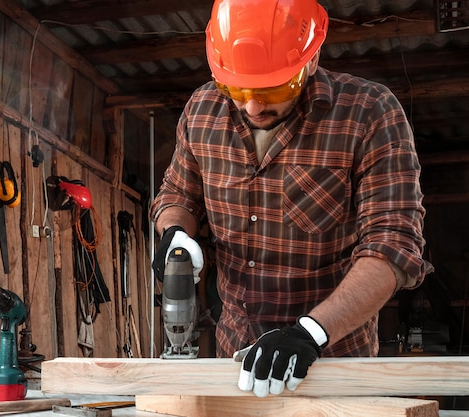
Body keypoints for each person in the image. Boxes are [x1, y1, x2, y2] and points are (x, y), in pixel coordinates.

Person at [150, 0, 433, 398]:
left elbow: (392, 245)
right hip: (235, 361)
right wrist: (176, 230)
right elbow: (179, 194)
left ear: (312, 58)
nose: (252, 105)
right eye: (236, 87)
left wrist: (312, 332)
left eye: (273, 88)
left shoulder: (368, 113)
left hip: (331, 362)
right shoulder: (201, 110)